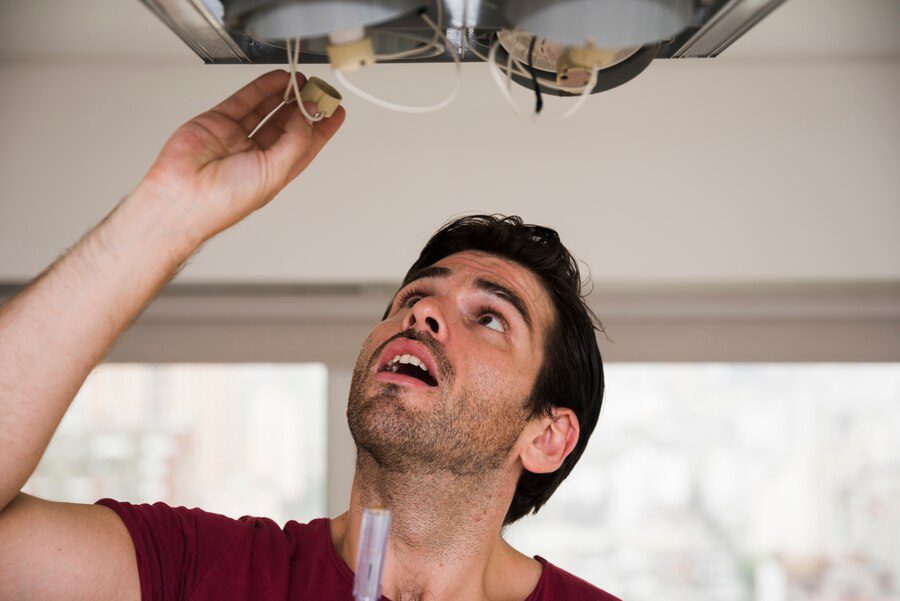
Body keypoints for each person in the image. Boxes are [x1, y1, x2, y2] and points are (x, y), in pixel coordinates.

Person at [0, 70, 617, 601]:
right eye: (415, 296)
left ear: (547, 436)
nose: (423, 316)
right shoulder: (198, 569)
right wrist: (164, 219)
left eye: (489, 318)